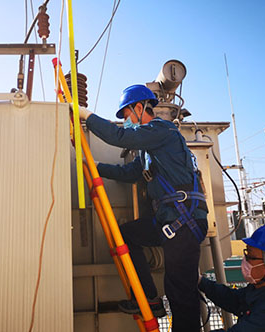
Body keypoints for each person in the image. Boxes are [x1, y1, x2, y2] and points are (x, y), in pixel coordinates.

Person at [78, 84, 208, 332]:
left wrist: (87, 116)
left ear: (139, 108)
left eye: (126, 116)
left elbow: (119, 138)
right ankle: (150, 299)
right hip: (168, 222)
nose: (126, 122)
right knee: (127, 235)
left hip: (184, 222)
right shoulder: (149, 150)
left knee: (180, 291)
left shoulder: (162, 130)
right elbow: (129, 173)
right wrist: (93, 165)